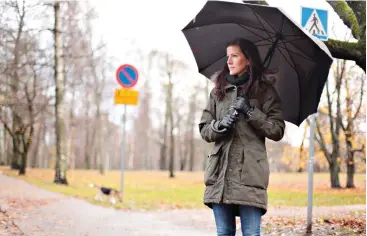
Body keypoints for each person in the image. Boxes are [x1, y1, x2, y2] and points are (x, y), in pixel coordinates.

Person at [198, 38, 285, 236]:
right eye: (227, 56)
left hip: (249, 175)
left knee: (251, 233)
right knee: (224, 232)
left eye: (235, 56)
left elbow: (277, 130)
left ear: (248, 60)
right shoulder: (218, 92)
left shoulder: (265, 92)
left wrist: (251, 111)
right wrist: (221, 125)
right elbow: (204, 129)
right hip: (220, 174)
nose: (229, 61)